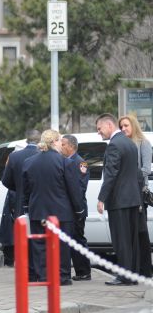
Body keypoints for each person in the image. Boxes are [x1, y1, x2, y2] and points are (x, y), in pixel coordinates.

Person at [22, 130, 83, 285]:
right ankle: (62, 276)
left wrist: (26, 207)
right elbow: (73, 189)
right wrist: (79, 209)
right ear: (55, 142)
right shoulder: (65, 163)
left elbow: (26, 190)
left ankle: (43, 276)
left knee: (40, 245)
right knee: (62, 246)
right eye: (60, 141)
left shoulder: (29, 162)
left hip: (38, 211)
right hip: (61, 212)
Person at [96, 113, 146, 286]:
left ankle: (124, 276)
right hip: (132, 199)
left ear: (109, 125)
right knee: (132, 241)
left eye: (99, 129)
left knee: (121, 240)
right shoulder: (130, 143)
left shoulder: (115, 145)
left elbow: (111, 174)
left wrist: (102, 198)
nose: (99, 133)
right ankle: (132, 275)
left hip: (119, 201)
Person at [0, 129, 40, 268]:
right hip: (39, 201)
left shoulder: (15, 156)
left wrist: (19, 189)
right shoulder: (42, 155)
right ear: (39, 140)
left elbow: (6, 181)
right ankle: (37, 267)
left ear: (26, 140)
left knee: (23, 235)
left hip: (20, 201)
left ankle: (25, 267)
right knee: (38, 235)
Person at [119, 114, 152, 277]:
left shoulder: (143, 143)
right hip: (126, 193)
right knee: (129, 233)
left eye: (126, 125)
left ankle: (145, 270)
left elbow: (147, 169)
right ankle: (134, 268)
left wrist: (129, 174)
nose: (124, 129)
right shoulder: (123, 145)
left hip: (139, 193)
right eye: (121, 127)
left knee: (140, 232)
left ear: (133, 126)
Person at [60, 134, 92, 281]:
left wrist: (78, 209)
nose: (62, 147)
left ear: (71, 146)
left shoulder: (79, 163)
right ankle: (80, 271)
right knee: (72, 239)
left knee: (78, 239)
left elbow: (79, 187)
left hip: (77, 208)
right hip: (69, 207)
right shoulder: (66, 161)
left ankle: (84, 271)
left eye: (64, 144)